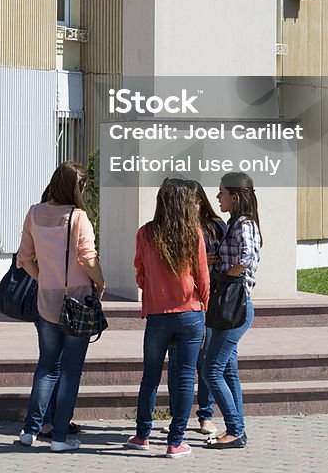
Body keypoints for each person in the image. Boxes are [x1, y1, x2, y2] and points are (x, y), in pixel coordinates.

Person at [16, 161, 106, 452]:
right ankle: (59, 437)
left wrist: (44, 278)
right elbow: (88, 258)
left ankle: (30, 430)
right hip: (77, 301)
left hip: (46, 300)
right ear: (77, 188)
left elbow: (24, 258)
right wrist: (101, 283)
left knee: (47, 367)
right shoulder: (78, 217)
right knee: (70, 371)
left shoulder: (34, 212)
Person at [127, 178, 210, 458]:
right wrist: (205, 308)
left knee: (150, 377)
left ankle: (142, 435)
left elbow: (140, 272)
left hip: (158, 315)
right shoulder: (193, 233)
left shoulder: (146, 233)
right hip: (190, 313)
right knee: (186, 376)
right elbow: (203, 277)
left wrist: (151, 289)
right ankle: (175, 442)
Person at [202, 172, 262, 450]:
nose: (217, 197)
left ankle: (235, 430)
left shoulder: (243, 224)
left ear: (234, 197)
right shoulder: (234, 223)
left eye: (221, 192)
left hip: (234, 307)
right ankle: (237, 428)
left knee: (211, 370)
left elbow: (246, 258)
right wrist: (215, 262)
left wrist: (226, 275)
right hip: (230, 306)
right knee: (227, 370)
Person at [167, 181, 226, 436]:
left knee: (205, 361)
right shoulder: (172, 227)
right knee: (177, 361)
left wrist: (213, 259)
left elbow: (231, 257)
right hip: (182, 303)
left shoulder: (216, 226)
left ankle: (205, 413)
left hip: (209, 300)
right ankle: (176, 414)